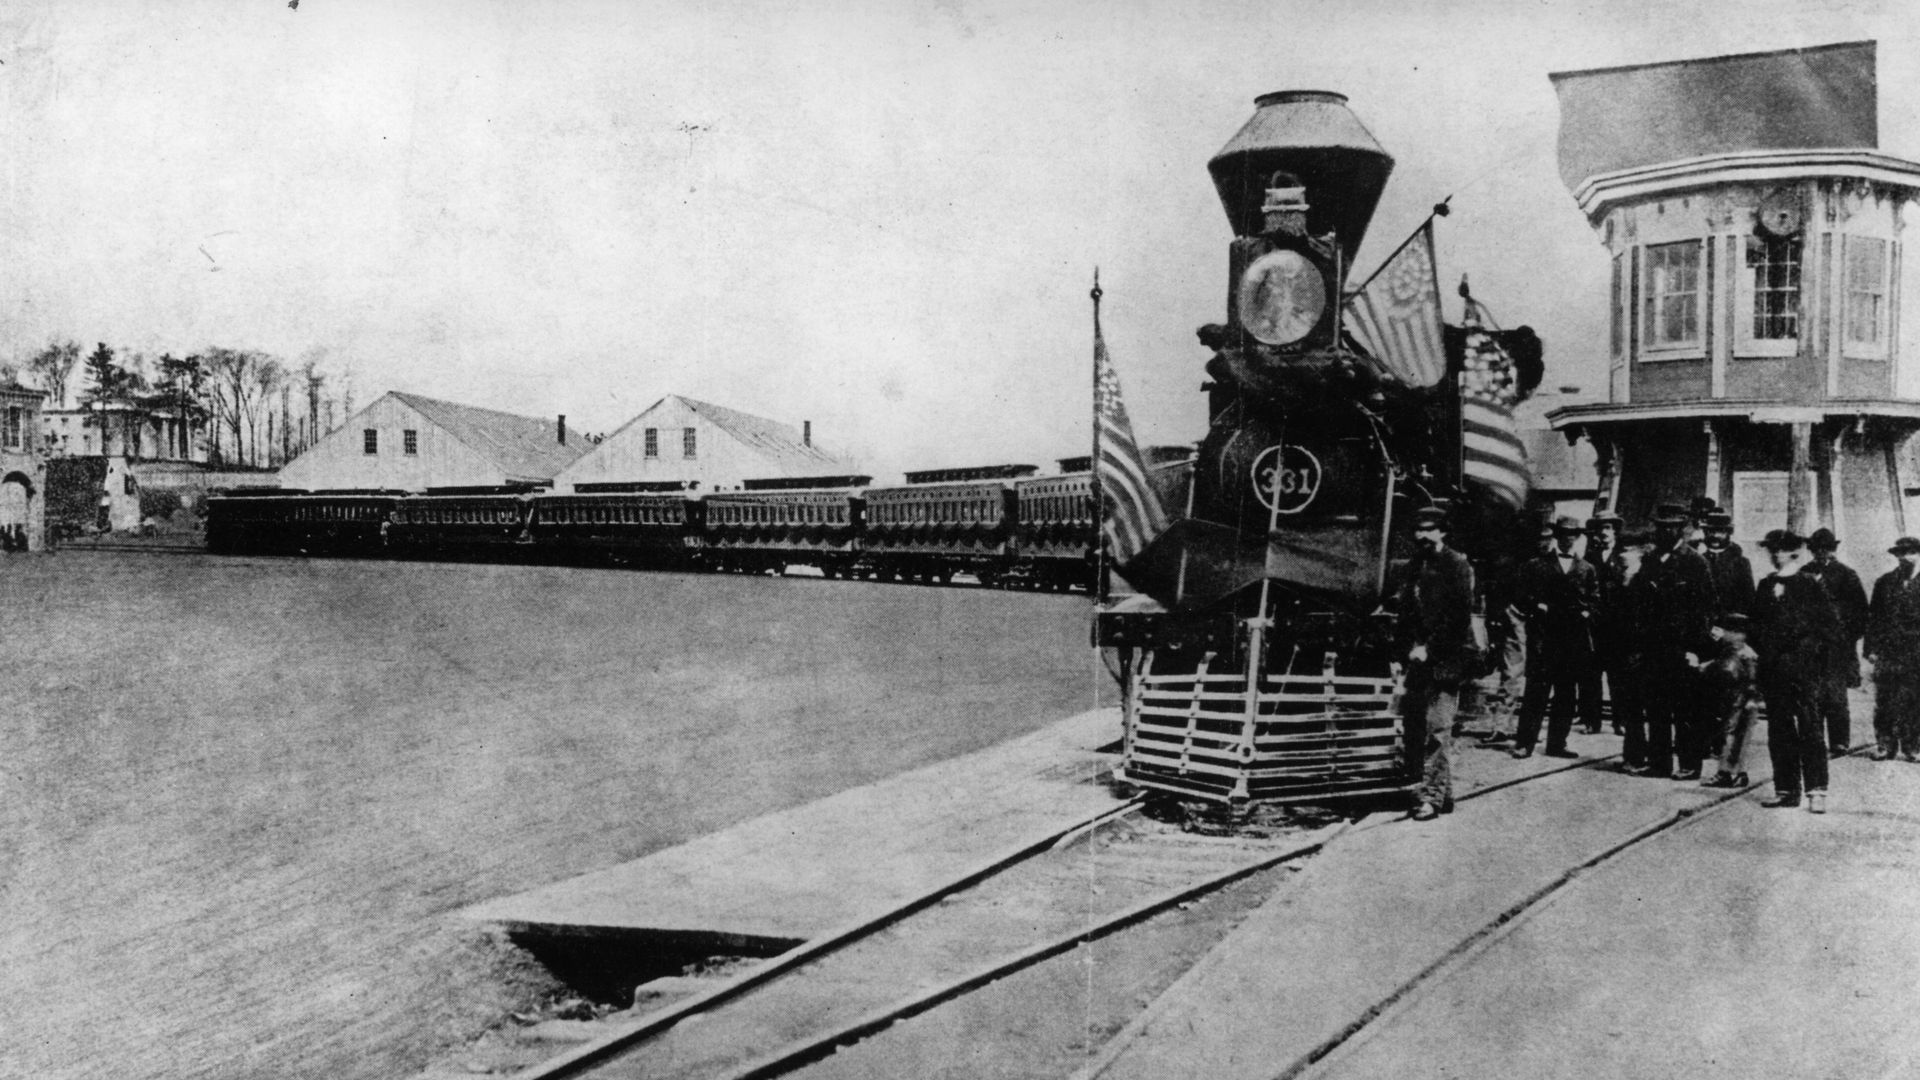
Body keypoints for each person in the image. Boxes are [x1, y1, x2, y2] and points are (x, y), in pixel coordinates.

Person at [1751, 529, 1840, 813]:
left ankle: (1817, 791)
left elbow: (1828, 628)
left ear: (1794, 553)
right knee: (1779, 729)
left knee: (1810, 728)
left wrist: (1809, 656)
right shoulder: (1766, 585)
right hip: (1773, 670)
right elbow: (1755, 624)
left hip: (1803, 671)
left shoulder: (1809, 584)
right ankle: (1786, 789)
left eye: (1781, 549)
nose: (1775, 555)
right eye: (1772, 549)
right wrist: (1764, 651)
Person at [1396, 506, 1476, 821]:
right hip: (1417, 661)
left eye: (1431, 529)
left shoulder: (1457, 565)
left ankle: (1429, 798)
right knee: (1416, 729)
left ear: (1442, 532)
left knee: (1438, 729)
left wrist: (1429, 648)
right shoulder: (1414, 565)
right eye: (1419, 529)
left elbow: (1458, 617)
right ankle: (1442, 796)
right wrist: (1403, 652)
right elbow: (1405, 615)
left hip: (1445, 661)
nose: (1424, 535)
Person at [1511, 515, 1596, 760]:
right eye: (1564, 534)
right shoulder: (1536, 565)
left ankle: (1557, 743)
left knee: (1566, 695)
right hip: (1543, 639)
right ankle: (1524, 743)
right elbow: (1520, 595)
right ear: (1557, 536)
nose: (1568, 539)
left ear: (1577, 537)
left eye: (1573, 534)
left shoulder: (1587, 569)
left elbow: (1596, 600)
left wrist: (1587, 611)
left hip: (1571, 641)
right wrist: (1536, 605)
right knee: (1536, 693)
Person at [1644, 502, 1716, 780]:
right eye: (1661, 526)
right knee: (1657, 707)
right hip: (1655, 648)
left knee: (1686, 711)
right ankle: (1659, 763)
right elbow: (1641, 604)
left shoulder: (1695, 563)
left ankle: (1689, 764)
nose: (1666, 530)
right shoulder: (1651, 561)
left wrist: (1696, 650)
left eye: (1672, 526)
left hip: (1683, 649)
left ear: (1682, 529)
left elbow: (1706, 610)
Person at [1803, 528, 1869, 756]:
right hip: (1810, 645)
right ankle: (1815, 738)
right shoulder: (1804, 572)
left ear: (1833, 550)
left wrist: (1847, 638)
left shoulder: (1846, 574)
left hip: (1837, 647)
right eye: (1816, 549)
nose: (1821, 553)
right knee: (1812, 694)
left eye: (1826, 549)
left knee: (1835, 694)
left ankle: (1840, 741)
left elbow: (1860, 611)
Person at [1602, 532, 1660, 773]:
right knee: (1628, 706)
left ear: (1640, 553)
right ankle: (1633, 754)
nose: (1623, 555)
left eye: (1629, 551)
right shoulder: (1618, 579)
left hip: (1640, 652)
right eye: (1622, 551)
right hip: (1619, 651)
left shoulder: (1647, 580)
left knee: (1638, 706)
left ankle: (1639, 757)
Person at [1865, 536, 1920, 762]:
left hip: (1916, 651)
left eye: (1908, 553)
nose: (1903, 558)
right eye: (1899, 553)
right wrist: (1871, 648)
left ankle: (1912, 746)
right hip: (1889, 651)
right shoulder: (1885, 582)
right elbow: (1874, 618)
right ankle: (1885, 745)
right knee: (1885, 699)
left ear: (1918, 554)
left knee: (1914, 699)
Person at [1698, 611, 1760, 788]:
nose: (1721, 635)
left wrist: (1706, 668)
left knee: (1730, 735)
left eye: (1725, 631)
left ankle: (1725, 773)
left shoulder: (1738, 651)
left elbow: (1728, 671)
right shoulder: (1745, 650)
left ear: (1734, 633)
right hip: (1748, 700)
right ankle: (1740, 773)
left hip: (1738, 701)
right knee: (1741, 738)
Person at [1582, 511, 1624, 734]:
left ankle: (1620, 721)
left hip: (1618, 626)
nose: (1604, 533)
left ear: (1615, 531)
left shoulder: (1624, 555)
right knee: (1592, 675)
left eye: (1608, 528)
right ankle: (1592, 720)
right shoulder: (1590, 557)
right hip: (1596, 625)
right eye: (1600, 529)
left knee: (1618, 677)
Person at [1699, 512, 1754, 616]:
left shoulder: (1741, 562)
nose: (1715, 536)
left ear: (1729, 533)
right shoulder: (1699, 560)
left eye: (1721, 532)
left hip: (1732, 622)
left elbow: (1749, 598)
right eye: (1711, 531)